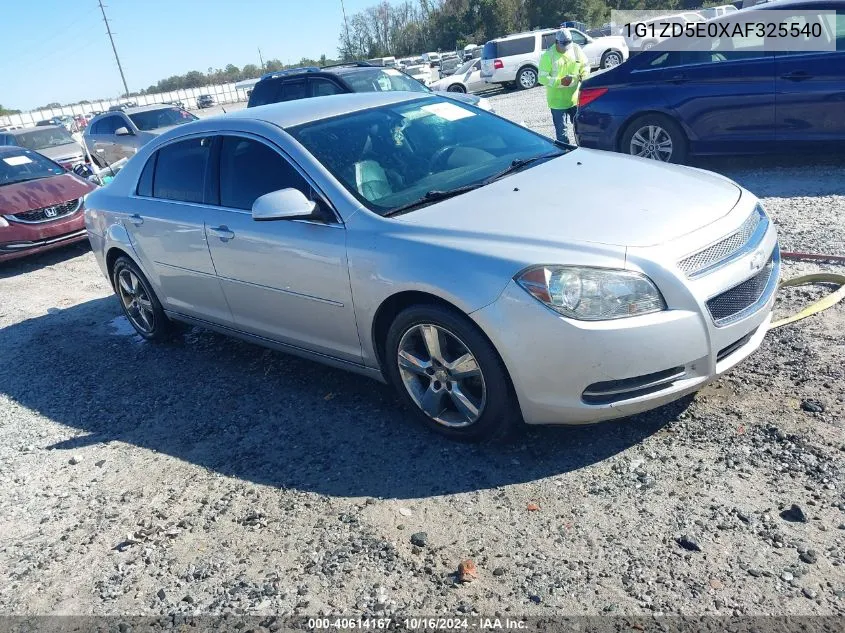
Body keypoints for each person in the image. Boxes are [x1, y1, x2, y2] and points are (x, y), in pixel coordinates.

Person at [538, 28, 590, 146]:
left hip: (574, 99)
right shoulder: (548, 56)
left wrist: (584, 75)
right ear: (557, 42)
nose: (566, 48)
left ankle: (584, 149)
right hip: (557, 102)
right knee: (562, 134)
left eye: (568, 44)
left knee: (581, 128)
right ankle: (566, 154)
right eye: (563, 45)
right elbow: (541, 78)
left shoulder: (576, 49)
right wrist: (559, 81)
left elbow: (585, 65)